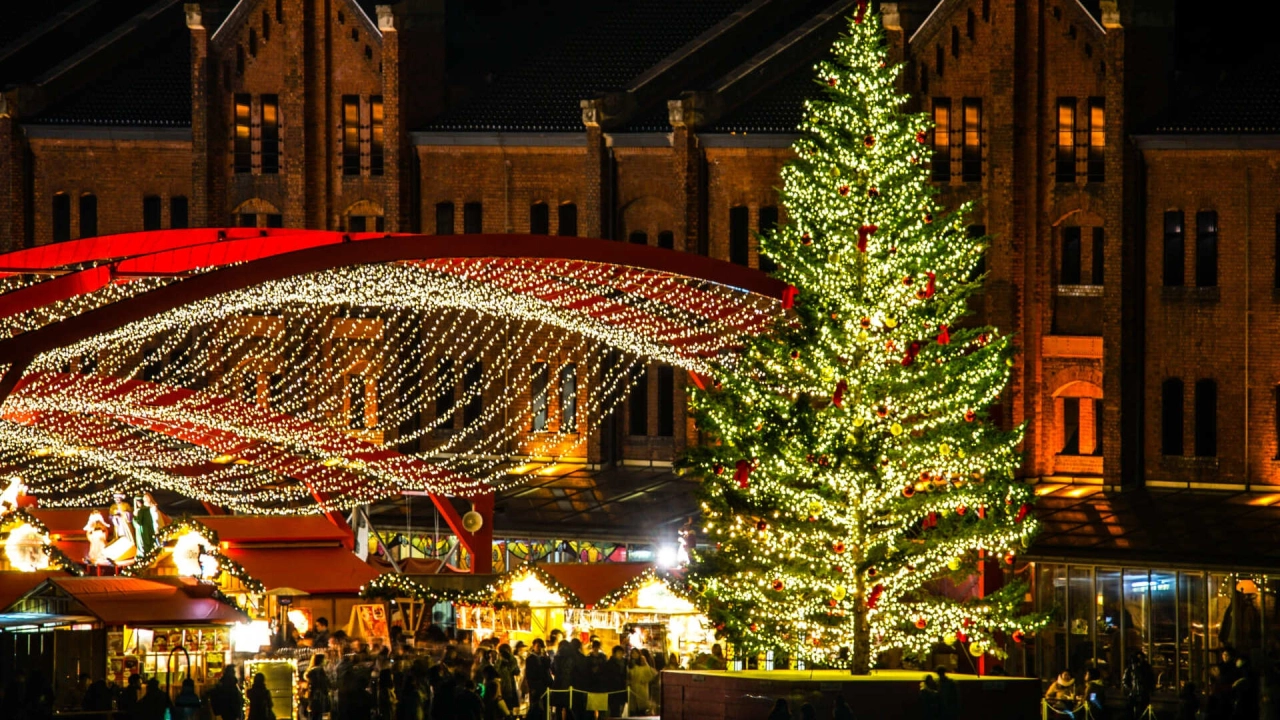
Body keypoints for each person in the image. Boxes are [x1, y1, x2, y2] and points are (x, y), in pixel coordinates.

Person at [524, 638, 553, 720]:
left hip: (545, 685)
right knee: (536, 707)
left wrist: (546, 656)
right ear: (533, 646)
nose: (539, 648)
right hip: (536, 686)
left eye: (541, 646)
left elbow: (548, 667)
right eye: (538, 646)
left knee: (546, 706)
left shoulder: (544, 658)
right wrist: (532, 687)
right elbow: (529, 674)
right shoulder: (530, 659)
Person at [1123, 652, 1154, 719]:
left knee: (1141, 712)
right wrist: (1130, 690)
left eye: (1141, 658)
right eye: (1138, 658)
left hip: (1143, 693)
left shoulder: (1146, 668)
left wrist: (1149, 690)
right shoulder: (1130, 669)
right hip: (1133, 693)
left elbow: (1150, 680)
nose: (1140, 660)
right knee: (1130, 712)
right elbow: (1125, 681)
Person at [602, 646, 627, 718]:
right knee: (614, 709)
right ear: (614, 653)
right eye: (618, 652)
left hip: (622, 689)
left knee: (621, 708)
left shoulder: (625, 663)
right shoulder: (609, 663)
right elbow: (606, 676)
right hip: (613, 689)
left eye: (621, 653)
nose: (620, 654)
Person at [496, 644, 519, 715]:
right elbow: (496, 671)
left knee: (510, 708)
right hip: (501, 688)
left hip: (510, 687)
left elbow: (517, 671)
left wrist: (511, 658)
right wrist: (500, 660)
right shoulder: (498, 661)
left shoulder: (511, 661)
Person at [307, 653, 331, 720]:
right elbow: (323, 683)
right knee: (319, 716)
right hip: (320, 698)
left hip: (314, 698)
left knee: (314, 716)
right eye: (324, 659)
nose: (326, 660)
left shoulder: (312, 671)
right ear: (321, 660)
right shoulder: (320, 670)